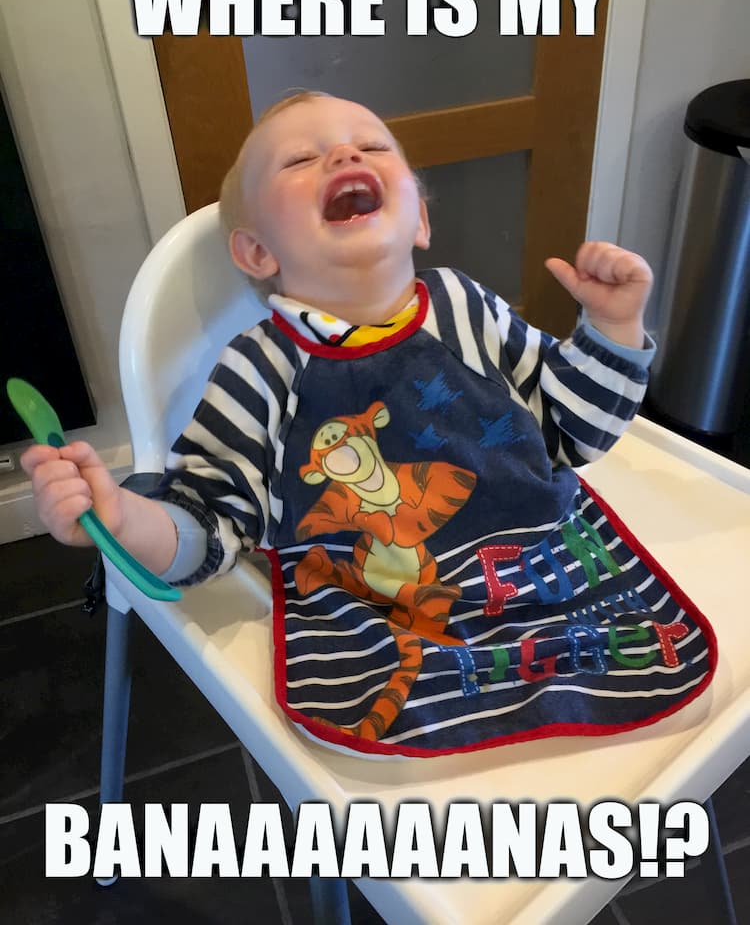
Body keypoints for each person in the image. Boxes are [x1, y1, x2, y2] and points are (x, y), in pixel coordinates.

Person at [21, 91, 715, 757]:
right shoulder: (259, 368)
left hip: (545, 570)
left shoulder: (466, 307)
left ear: (418, 220)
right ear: (258, 253)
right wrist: (122, 518)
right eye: (299, 161)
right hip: (379, 615)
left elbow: (569, 434)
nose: (345, 157)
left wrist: (615, 329)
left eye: (372, 146)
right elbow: (209, 523)